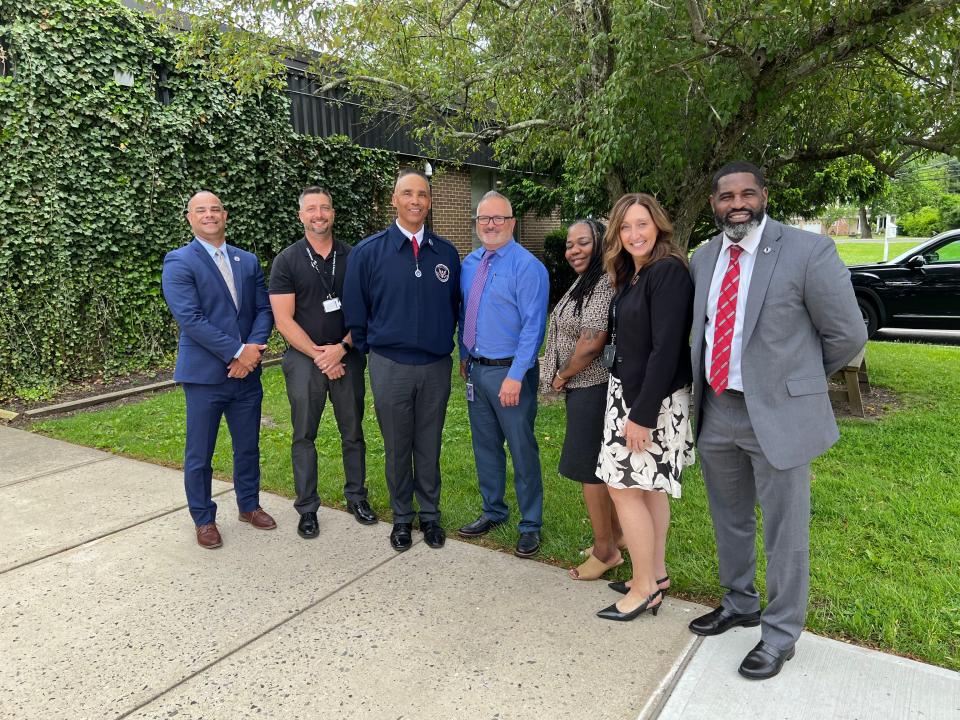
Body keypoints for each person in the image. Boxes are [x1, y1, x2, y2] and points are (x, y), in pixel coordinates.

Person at [688, 161, 866, 679]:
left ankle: (781, 633)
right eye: (725, 196)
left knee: (785, 530)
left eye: (747, 193)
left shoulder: (808, 251)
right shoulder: (704, 257)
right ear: (714, 204)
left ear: (764, 196)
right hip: (717, 409)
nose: (736, 203)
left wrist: (798, 381)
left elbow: (848, 335)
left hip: (780, 415)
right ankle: (739, 602)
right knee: (730, 517)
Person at [341, 169, 461, 552]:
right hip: (389, 365)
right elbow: (355, 314)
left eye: (422, 194)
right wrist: (373, 352)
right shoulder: (369, 252)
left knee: (429, 443)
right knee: (397, 446)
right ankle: (402, 519)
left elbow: (454, 307)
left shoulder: (446, 253)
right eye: (407, 193)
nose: (415, 201)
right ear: (394, 199)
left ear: (429, 202)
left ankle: (430, 516)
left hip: (435, 367)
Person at [594, 193, 695, 621]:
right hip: (631, 392)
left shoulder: (667, 272)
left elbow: (666, 349)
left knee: (622, 487)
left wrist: (641, 413)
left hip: (649, 399)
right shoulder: (635, 273)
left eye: (642, 224)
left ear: (658, 225)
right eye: (626, 227)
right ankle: (655, 574)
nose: (634, 234)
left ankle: (643, 587)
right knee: (646, 487)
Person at [161, 190, 276, 549]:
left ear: (225, 215)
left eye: (215, 209)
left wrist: (252, 353)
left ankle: (249, 505)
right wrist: (238, 352)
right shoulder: (179, 262)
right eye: (201, 210)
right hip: (204, 377)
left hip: (248, 375)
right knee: (200, 453)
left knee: (248, 446)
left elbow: (263, 309)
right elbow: (190, 319)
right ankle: (203, 518)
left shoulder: (247, 260)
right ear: (190, 218)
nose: (209, 215)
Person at [269, 186, 376, 541]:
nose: (319, 214)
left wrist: (341, 349)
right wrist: (320, 354)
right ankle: (307, 508)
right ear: (301, 215)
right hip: (304, 360)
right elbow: (283, 320)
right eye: (311, 209)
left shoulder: (355, 256)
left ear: (333, 213)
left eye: (325, 208)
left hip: (348, 356)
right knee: (303, 435)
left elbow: (367, 310)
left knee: (353, 432)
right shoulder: (287, 261)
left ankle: (357, 497)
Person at [457, 191, 549, 558]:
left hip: (511, 373)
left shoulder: (528, 267)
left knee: (522, 448)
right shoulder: (470, 264)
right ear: (477, 224)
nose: (491, 225)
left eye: (499, 218)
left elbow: (533, 326)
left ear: (512, 223)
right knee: (485, 446)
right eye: (484, 219)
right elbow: (466, 312)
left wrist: (515, 375)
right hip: (476, 370)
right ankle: (493, 510)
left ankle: (530, 524)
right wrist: (464, 354)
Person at [539, 219, 623, 579]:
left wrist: (561, 374)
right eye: (570, 244)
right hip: (584, 387)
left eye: (582, 243)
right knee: (600, 470)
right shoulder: (585, 280)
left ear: (601, 243)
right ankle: (616, 539)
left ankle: (605, 552)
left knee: (589, 471)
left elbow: (593, 340)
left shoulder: (603, 281)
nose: (573, 250)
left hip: (593, 387)